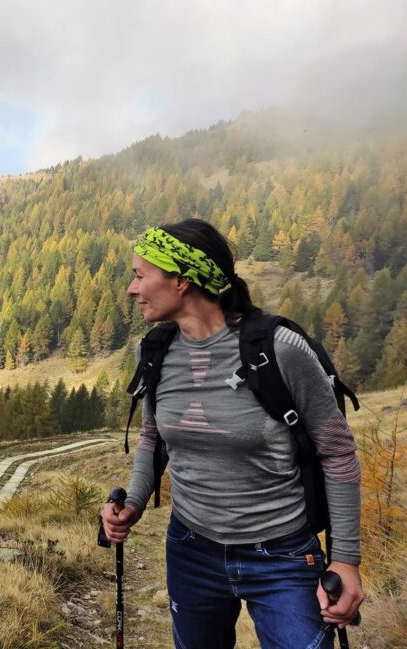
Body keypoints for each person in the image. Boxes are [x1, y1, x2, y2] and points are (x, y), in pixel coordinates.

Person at [100, 219, 364, 649]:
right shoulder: (154, 350)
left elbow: (337, 452)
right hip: (191, 549)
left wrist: (347, 562)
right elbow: (153, 438)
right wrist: (132, 502)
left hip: (283, 555)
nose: (132, 289)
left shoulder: (280, 349)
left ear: (182, 280)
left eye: (139, 275)